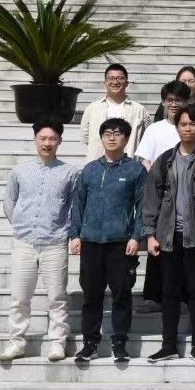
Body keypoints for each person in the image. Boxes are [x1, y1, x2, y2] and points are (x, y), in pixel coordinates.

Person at [142, 103, 195, 363]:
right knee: (168, 292)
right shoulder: (165, 159)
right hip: (167, 236)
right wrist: (150, 234)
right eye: (183, 124)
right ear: (177, 127)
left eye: (192, 124)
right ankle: (168, 345)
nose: (187, 128)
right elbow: (152, 198)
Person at [0, 120, 78, 362]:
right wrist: (20, 225)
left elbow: (74, 206)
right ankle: (17, 342)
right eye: (42, 138)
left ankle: (58, 343)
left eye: (52, 138)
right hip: (24, 243)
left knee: (57, 298)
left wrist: (67, 232)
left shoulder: (70, 173)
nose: (47, 143)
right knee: (19, 298)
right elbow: (9, 202)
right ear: (34, 140)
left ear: (60, 141)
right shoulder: (19, 172)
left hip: (55, 243)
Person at [70, 119, 147, 363]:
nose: (111, 137)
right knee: (91, 295)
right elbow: (78, 204)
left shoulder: (136, 170)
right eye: (107, 133)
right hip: (91, 241)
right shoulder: (90, 170)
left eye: (117, 133)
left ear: (126, 138)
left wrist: (136, 236)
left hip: (121, 243)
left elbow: (143, 207)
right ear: (101, 138)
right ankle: (90, 343)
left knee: (121, 294)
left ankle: (119, 342)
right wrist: (75, 234)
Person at [81, 64, 150, 161]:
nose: (115, 82)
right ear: (105, 83)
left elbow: (146, 138)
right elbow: (85, 137)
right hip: (98, 163)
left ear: (127, 83)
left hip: (129, 163)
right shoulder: (91, 108)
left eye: (120, 78)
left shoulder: (140, 110)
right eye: (111, 78)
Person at [136, 81, 195, 168]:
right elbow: (145, 160)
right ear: (163, 102)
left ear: (186, 102)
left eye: (178, 100)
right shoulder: (153, 129)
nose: (173, 104)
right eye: (169, 100)